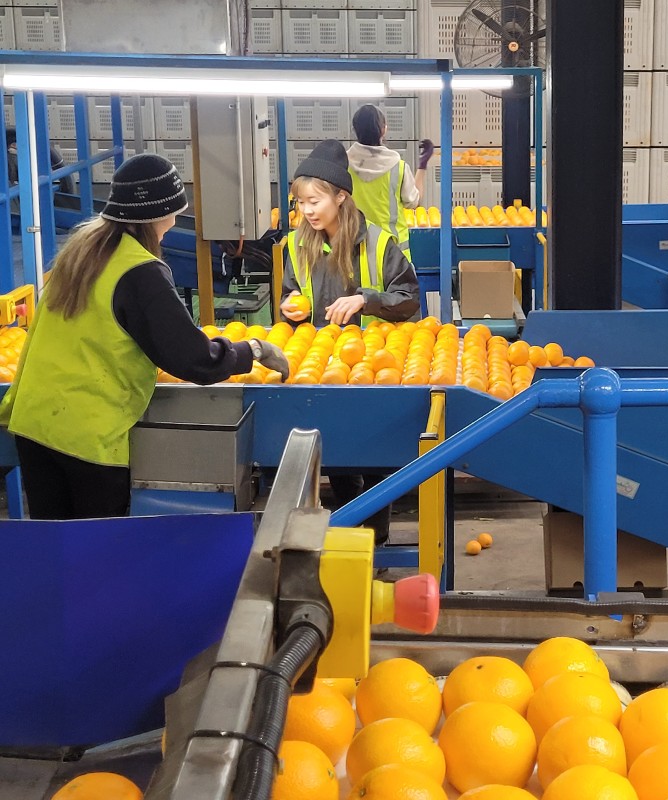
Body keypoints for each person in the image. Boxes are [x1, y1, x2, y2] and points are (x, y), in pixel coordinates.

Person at [0, 153, 289, 520]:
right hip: (86, 436)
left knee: (56, 547)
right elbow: (191, 358)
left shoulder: (81, 252)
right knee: (96, 550)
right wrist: (252, 350)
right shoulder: (139, 270)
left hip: (35, 423)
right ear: (165, 213)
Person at [280, 138, 420, 543]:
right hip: (322, 367)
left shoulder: (377, 242)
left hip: (373, 368)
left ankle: (374, 537)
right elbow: (292, 294)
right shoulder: (298, 243)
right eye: (301, 202)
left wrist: (366, 299)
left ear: (341, 196)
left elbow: (408, 298)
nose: (307, 211)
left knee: (374, 455)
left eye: (315, 201)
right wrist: (292, 305)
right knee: (337, 455)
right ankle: (350, 536)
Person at [346, 104, 434, 263]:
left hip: (356, 250)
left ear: (355, 130)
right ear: (383, 130)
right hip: (393, 252)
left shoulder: (343, 165)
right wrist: (422, 166)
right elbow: (414, 202)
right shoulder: (397, 166)